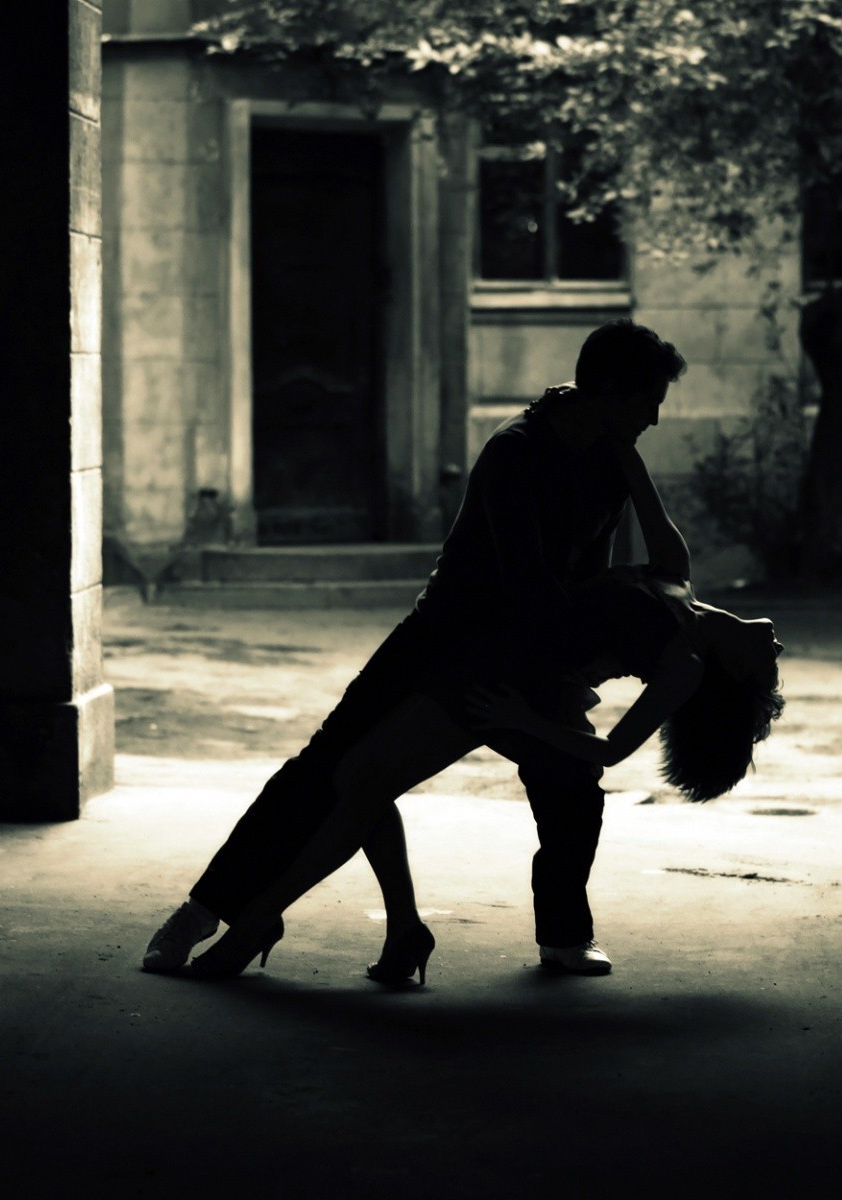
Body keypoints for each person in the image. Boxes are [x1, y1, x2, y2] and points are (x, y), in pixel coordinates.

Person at [144, 321, 686, 978]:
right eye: (649, 401)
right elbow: (533, 585)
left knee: (573, 785)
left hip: (532, 648)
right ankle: (204, 910)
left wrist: (583, 643)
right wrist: (604, 626)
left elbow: (635, 572)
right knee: (331, 764)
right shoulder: (515, 451)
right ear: (608, 390)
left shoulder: (613, 454)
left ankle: (562, 936)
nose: (656, 419)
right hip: (446, 637)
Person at [172, 438, 786, 981]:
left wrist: (522, 720)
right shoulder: (677, 575)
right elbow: (631, 467)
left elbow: (611, 751)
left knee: (362, 780)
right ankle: (397, 929)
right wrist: (586, 411)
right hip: (488, 655)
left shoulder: (686, 666)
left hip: (501, 686)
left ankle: (261, 920)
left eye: (768, 668)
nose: (778, 646)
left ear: (732, 675)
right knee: (360, 777)